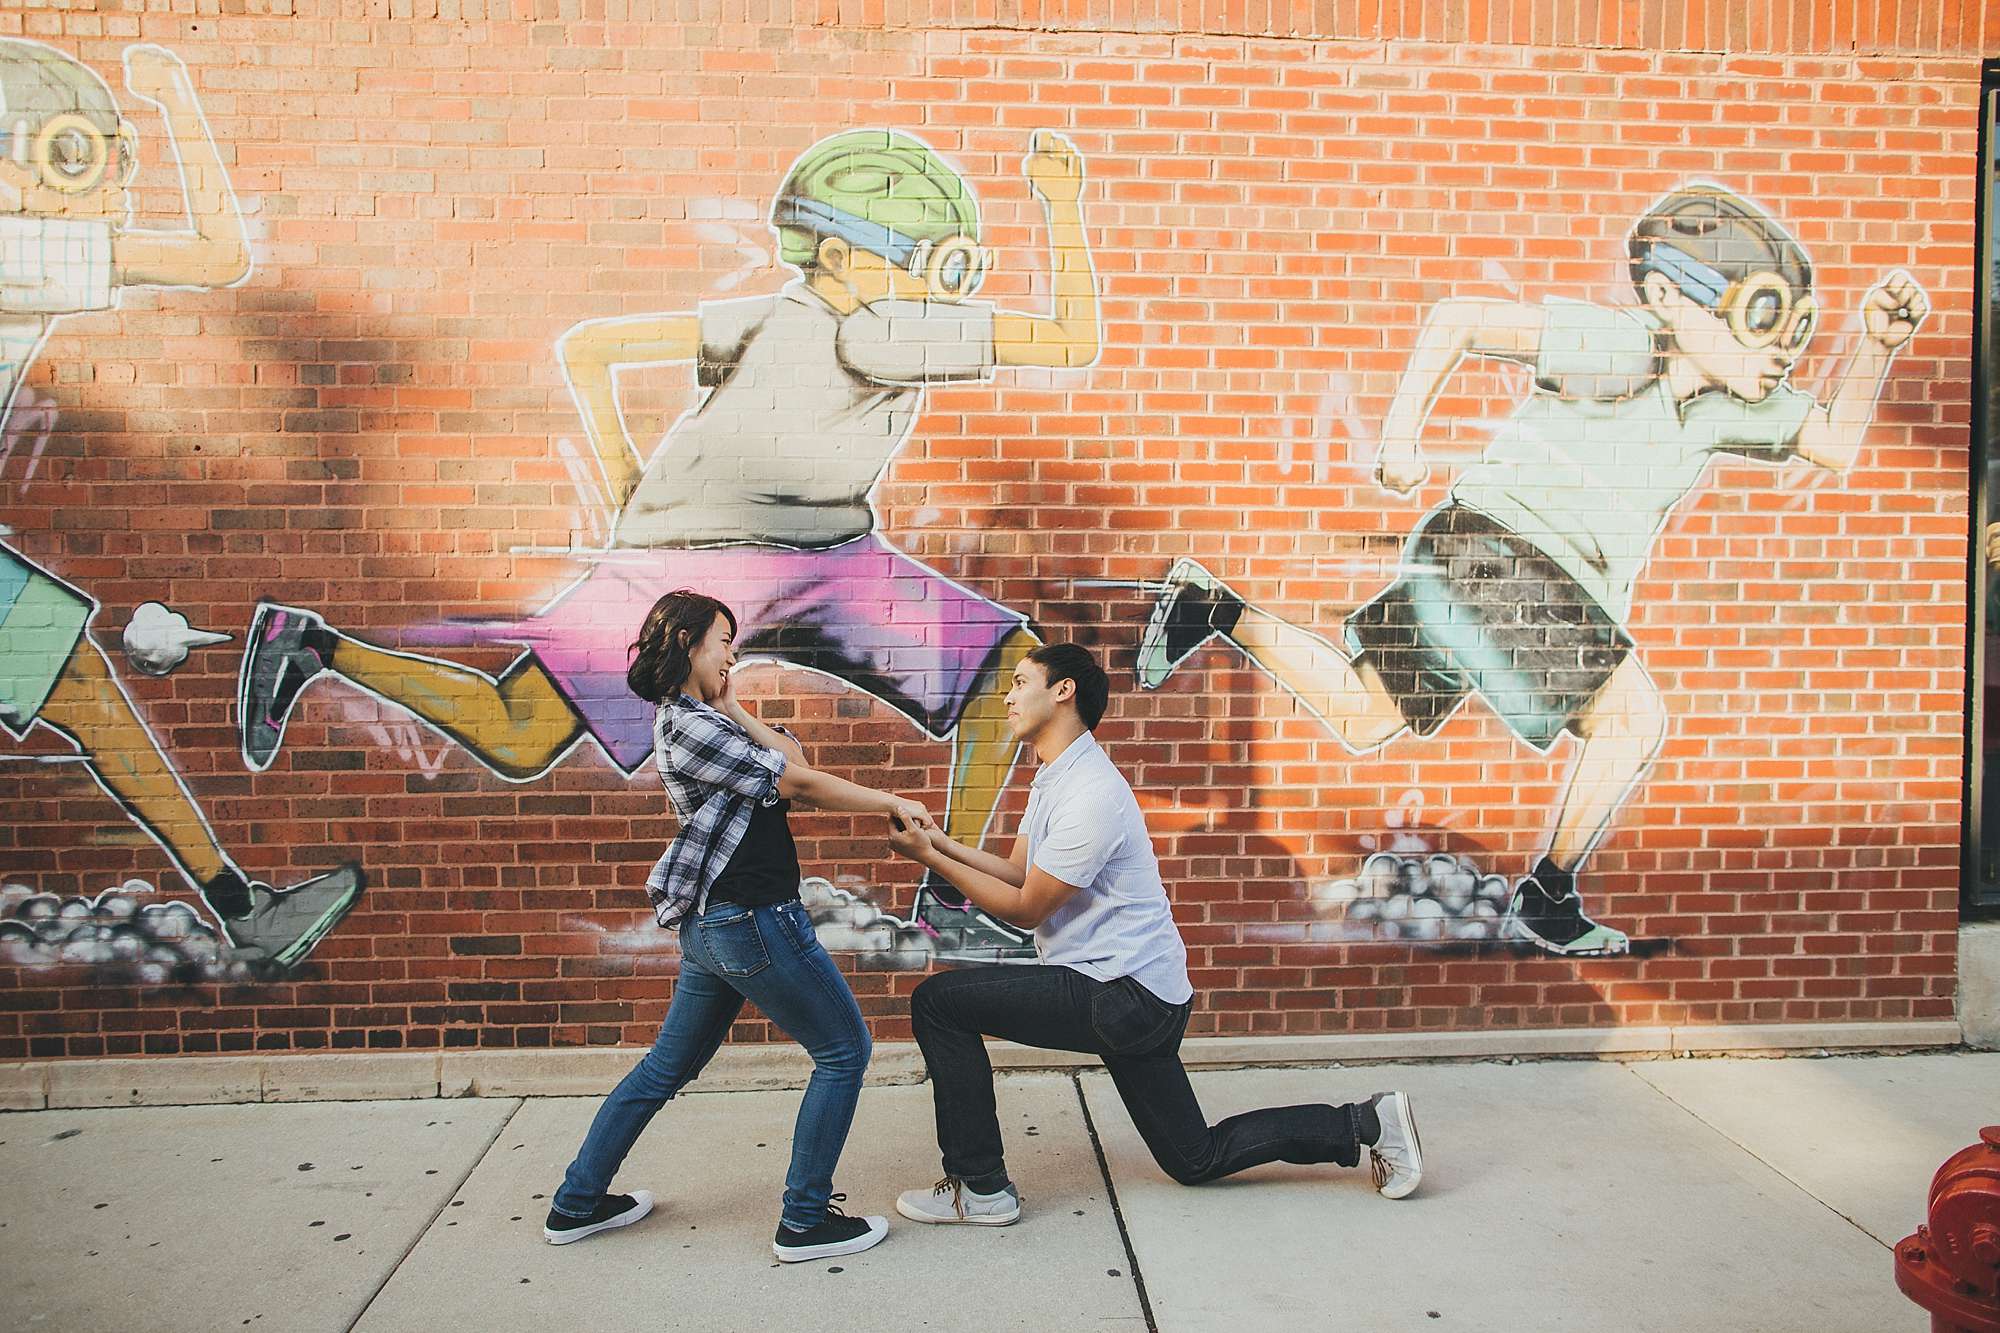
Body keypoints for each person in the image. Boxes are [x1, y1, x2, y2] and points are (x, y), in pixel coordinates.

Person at [237, 127, 1103, 960]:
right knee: (520, 732)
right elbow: (1073, 340)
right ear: (837, 256)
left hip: (826, 551)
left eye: (947, 263)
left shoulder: (782, 314)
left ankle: (949, 900)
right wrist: (1062, 204)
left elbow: (593, 347)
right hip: (697, 555)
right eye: (921, 258)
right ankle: (314, 646)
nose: (936, 282)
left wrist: (625, 482)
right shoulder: (874, 327)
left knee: (1004, 665)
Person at [1136, 182, 1929, 956]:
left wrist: (1876, 344)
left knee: (1361, 713)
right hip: (1499, 558)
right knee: (1632, 718)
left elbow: (1834, 440)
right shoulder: (1623, 344)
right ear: (1666, 295)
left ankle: (1213, 609)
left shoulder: (1732, 407)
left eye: (1793, 329)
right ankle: (1548, 896)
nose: (1782, 350)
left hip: (1466, 557)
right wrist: (1400, 436)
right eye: (1759, 317)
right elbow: (1460, 318)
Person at [0, 38, 359, 962]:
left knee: (80, 685)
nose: (114, 179)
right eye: (78, 155)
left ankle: (242, 905)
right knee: (81, 687)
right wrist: (172, 101)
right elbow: (217, 253)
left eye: (116, 153)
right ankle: (244, 907)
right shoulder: (20, 246)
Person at [884, 643, 1422, 1225]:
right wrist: (935, 841)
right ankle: (1366, 1123)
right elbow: (1018, 871)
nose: (1008, 696)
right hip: (1135, 992)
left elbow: (1026, 907)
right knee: (1195, 1157)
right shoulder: (1055, 778)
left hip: (1122, 994)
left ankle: (979, 1187)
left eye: (1019, 682)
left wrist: (931, 861)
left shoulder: (1092, 792)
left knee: (939, 1004)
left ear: (1063, 691)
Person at [543, 589, 930, 1261]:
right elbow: (802, 785)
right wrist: (889, 799)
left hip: (719, 923)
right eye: (724, 639)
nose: (733, 651)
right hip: (752, 919)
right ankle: (805, 1221)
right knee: (844, 1050)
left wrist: (733, 705)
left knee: (666, 1067)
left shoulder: (703, 718)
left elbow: (792, 759)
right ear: (689, 642)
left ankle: (577, 1202)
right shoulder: (687, 727)